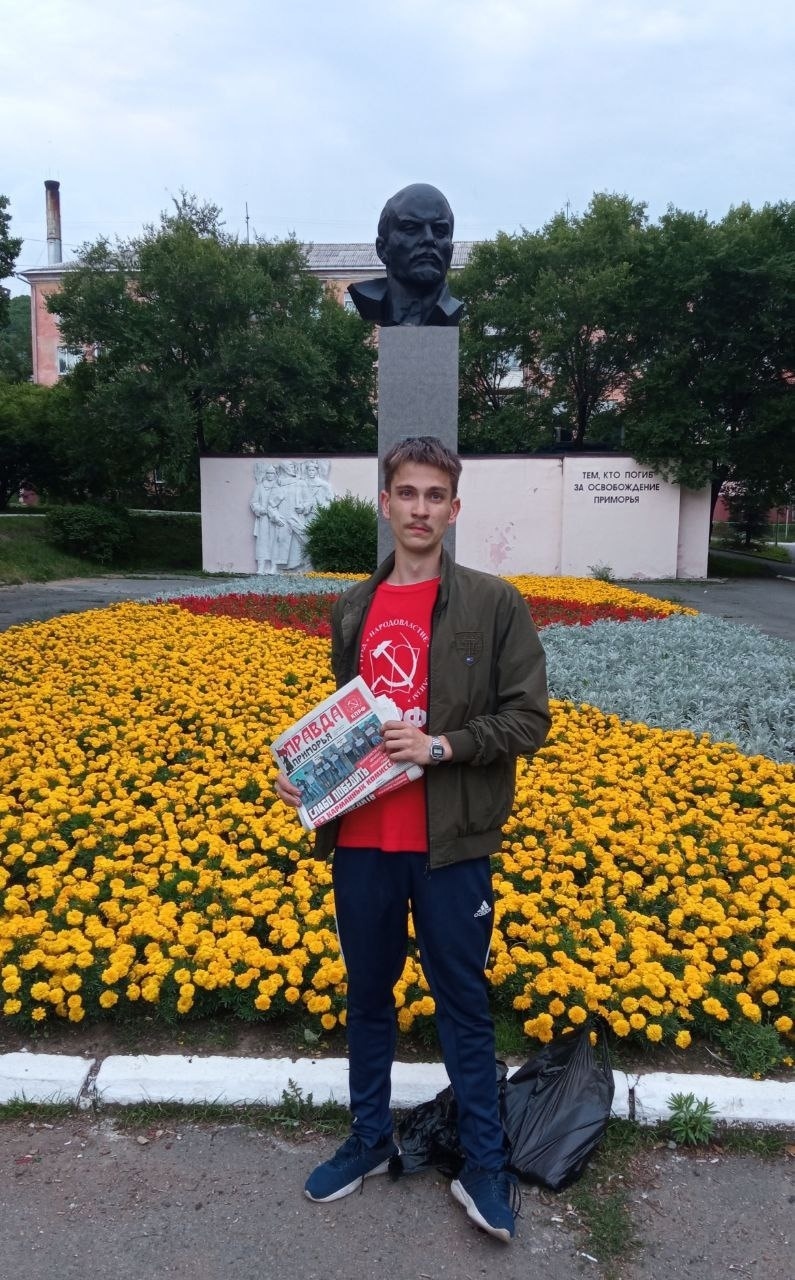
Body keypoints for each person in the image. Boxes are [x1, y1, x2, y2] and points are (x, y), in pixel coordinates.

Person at [274, 436, 550, 1242]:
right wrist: (309, 781)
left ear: (453, 509)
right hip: (362, 840)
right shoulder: (353, 607)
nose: (420, 509)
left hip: (450, 845)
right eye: (406, 493)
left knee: (462, 1004)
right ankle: (368, 1139)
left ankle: (484, 1163)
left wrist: (441, 747)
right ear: (385, 503)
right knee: (368, 997)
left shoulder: (493, 603)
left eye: (435, 495)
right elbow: (347, 719)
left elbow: (528, 718)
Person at [347, 184, 464, 327]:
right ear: (382, 249)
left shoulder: (452, 310)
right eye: (411, 228)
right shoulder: (368, 300)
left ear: (451, 251)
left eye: (440, 230)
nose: (429, 239)